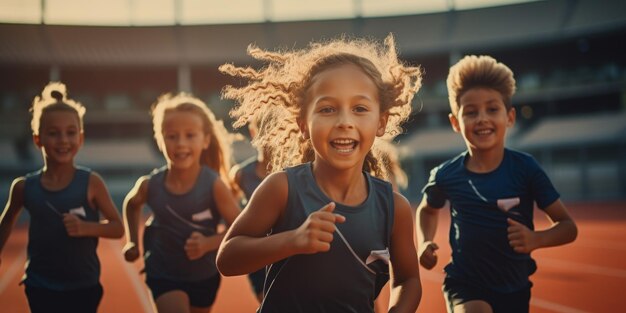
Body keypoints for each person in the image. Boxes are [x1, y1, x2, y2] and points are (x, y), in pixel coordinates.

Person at [217, 34, 423, 313]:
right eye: (327, 109)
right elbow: (227, 258)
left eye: (360, 109)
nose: (344, 122)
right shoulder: (281, 188)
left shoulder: (394, 208)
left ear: (381, 122)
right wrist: (292, 240)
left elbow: (408, 280)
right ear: (304, 124)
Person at [415, 55, 578, 313]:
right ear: (455, 123)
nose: (481, 118)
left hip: (515, 287)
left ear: (510, 116)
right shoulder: (446, 174)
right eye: (470, 112)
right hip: (465, 283)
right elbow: (427, 209)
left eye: (492, 109)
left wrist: (536, 239)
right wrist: (425, 241)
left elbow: (568, 227)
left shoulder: (526, 169)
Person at [0, 82, 124, 313]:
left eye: (70, 132)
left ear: (81, 137)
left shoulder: (91, 182)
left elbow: (118, 228)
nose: (63, 140)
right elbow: (7, 221)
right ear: (38, 139)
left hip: (83, 286)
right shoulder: (24, 187)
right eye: (53, 133)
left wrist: (87, 228)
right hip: (40, 284)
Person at [122, 93, 241, 313]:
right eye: (172, 136)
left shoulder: (214, 185)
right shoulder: (150, 185)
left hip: (204, 276)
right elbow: (131, 204)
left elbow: (240, 229)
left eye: (190, 135)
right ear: (160, 139)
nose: (180, 144)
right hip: (162, 273)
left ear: (205, 140)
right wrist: (133, 243)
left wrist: (209, 243)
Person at [229, 107, 284, 302]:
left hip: (285, 250)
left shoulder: (291, 172)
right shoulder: (240, 174)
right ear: (254, 133)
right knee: (268, 303)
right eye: (264, 129)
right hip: (257, 253)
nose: (270, 136)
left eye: (276, 129)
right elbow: (231, 206)